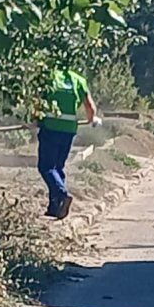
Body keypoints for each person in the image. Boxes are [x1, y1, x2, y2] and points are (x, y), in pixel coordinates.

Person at [37, 67, 100, 220]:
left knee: (46, 167)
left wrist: (35, 118)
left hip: (50, 128)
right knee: (57, 167)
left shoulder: (49, 76)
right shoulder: (78, 80)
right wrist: (93, 119)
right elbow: (90, 107)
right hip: (69, 130)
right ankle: (54, 208)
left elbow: (37, 100)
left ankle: (62, 194)